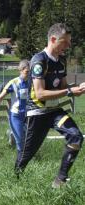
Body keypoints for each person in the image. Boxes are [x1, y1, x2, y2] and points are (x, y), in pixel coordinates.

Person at [15, 23, 85, 188]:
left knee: (76, 136)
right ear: (53, 39)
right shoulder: (38, 60)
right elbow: (40, 94)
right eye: (65, 42)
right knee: (26, 155)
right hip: (37, 113)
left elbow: (63, 87)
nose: (68, 46)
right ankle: (15, 182)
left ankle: (59, 181)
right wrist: (70, 92)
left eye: (69, 42)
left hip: (54, 111)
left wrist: (78, 88)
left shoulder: (61, 61)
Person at [0, 60, 30, 155]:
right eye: (27, 72)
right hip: (16, 116)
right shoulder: (13, 83)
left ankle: (11, 133)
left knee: (29, 139)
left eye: (30, 72)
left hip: (28, 115)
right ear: (21, 70)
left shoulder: (32, 82)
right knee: (21, 141)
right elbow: (0, 97)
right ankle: (20, 164)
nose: (28, 74)